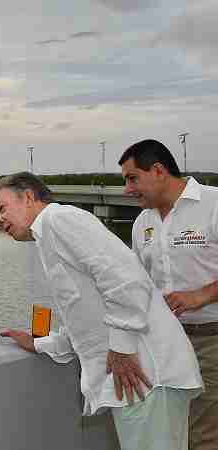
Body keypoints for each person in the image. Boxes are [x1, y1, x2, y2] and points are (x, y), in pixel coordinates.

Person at [0, 172, 202, 450]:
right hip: (137, 379)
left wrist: (122, 349)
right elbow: (87, 318)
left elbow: (126, 280)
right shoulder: (48, 238)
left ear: (29, 197)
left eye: (1, 207)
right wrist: (41, 343)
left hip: (144, 375)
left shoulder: (59, 220)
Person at [119, 139, 218, 450]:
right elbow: (134, 288)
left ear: (159, 170)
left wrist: (201, 295)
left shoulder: (213, 204)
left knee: (202, 435)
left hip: (210, 340)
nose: (127, 189)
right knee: (168, 431)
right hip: (162, 345)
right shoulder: (142, 224)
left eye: (132, 178)